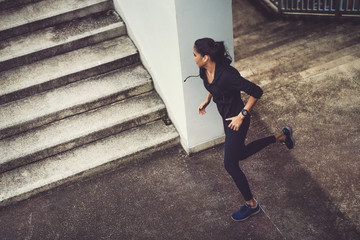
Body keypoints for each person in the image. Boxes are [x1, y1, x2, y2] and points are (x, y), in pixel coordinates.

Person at [193, 38, 295, 222]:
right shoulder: (204, 70)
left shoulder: (228, 75)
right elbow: (212, 86)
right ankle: (282, 136)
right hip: (226, 118)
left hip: (237, 121)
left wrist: (242, 115)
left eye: (195, 55)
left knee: (230, 164)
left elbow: (257, 91)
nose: (193, 58)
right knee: (240, 153)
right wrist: (207, 99)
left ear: (205, 57)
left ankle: (251, 205)